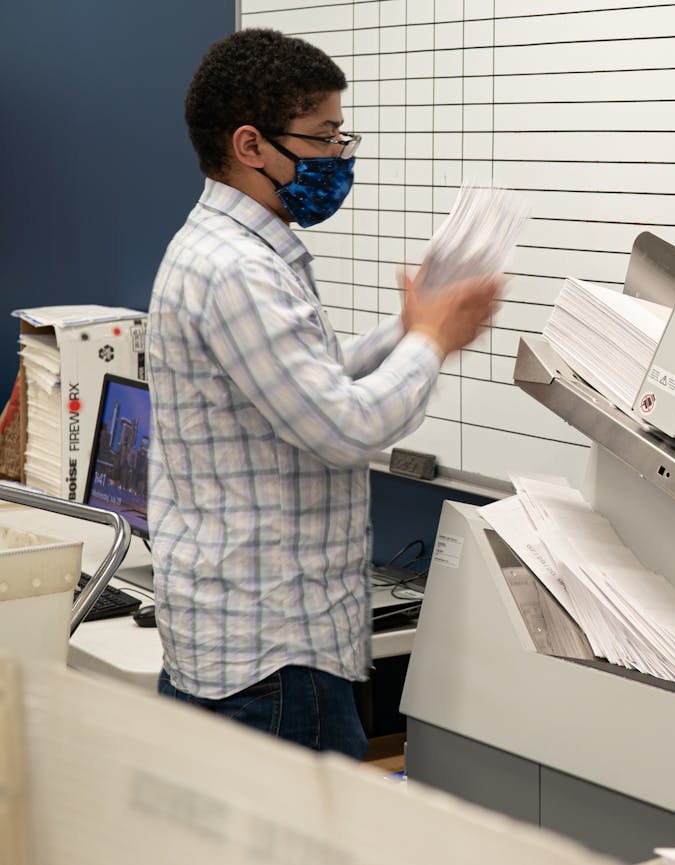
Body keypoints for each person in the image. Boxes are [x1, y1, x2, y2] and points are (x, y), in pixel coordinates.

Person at [147, 28, 500, 759]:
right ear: (251, 145)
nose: (340, 156)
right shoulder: (236, 271)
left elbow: (312, 373)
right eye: (324, 136)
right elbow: (347, 426)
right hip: (272, 664)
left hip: (250, 649)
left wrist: (406, 325)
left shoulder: (227, 250)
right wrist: (433, 340)